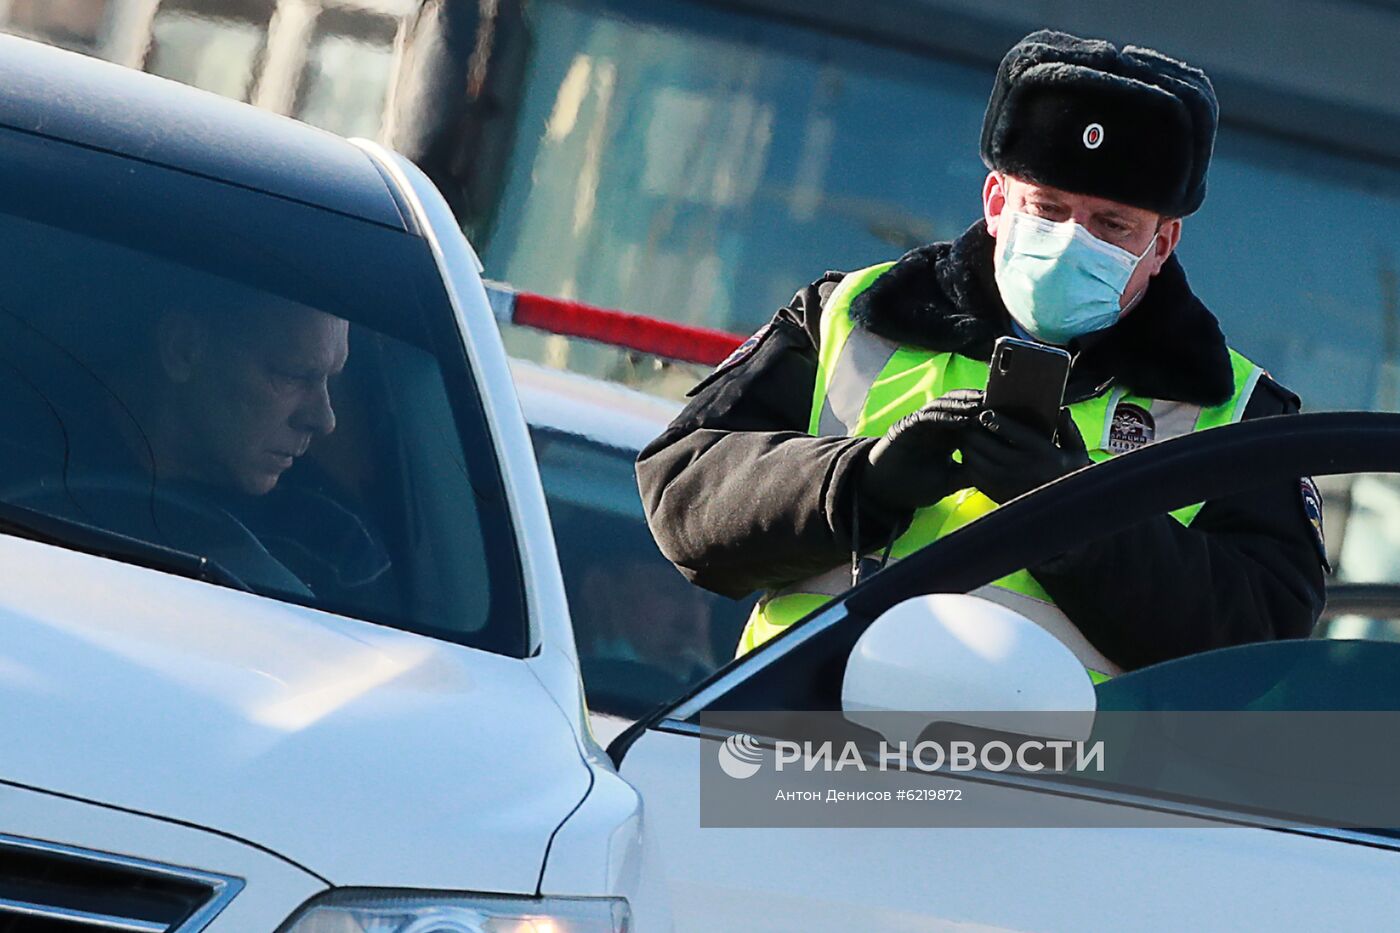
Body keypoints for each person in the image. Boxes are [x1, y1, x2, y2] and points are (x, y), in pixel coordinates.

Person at [636, 30, 1329, 679]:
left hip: (1054, 796)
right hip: (799, 768)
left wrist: (1077, 523)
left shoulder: (1236, 411)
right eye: (1048, 208)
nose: (1070, 240)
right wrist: (862, 484)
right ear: (997, 199)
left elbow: (1261, 647)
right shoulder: (854, 313)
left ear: (1163, 243)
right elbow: (679, 494)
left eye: (1111, 225)